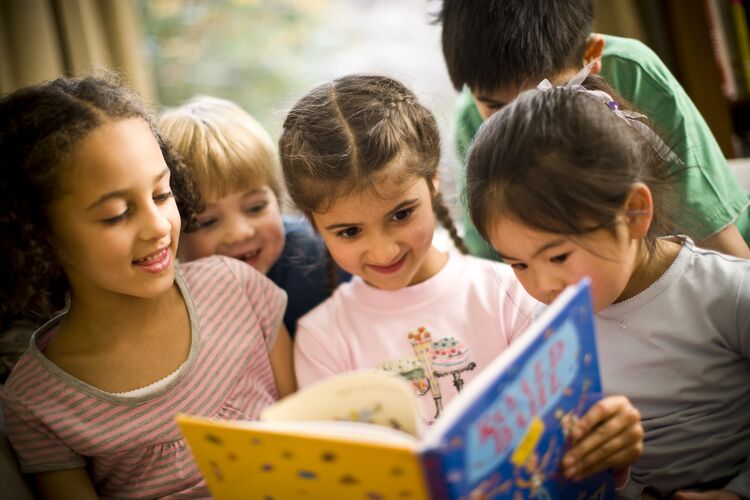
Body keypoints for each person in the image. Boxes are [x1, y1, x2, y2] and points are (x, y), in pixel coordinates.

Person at [279, 73, 643, 481]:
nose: (383, 250)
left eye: (401, 214)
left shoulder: (511, 290)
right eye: (349, 231)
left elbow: (566, 436)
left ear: (433, 180)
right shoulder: (321, 338)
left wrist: (605, 445)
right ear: (313, 225)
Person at [0, 75, 295, 499]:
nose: (158, 227)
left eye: (161, 194)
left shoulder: (237, 288)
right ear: (39, 234)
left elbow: (311, 437)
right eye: (117, 214)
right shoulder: (36, 401)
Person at [465, 74, 750, 500]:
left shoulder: (726, 292)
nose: (542, 285)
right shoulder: (550, 334)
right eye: (518, 264)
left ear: (635, 213)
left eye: (558, 256)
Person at [437, 0, 750, 259]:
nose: (524, 124)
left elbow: (715, 240)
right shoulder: (472, 119)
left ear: (592, 56)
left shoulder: (632, 72)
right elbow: (495, 263)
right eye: (496, 108)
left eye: (547, 96)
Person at [159, 96, 348, 337]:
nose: (240, 232)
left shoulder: (317, 256)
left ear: (277, 200)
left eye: (255, 207)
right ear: (174, 234)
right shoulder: (174, 302)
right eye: (208, 221)